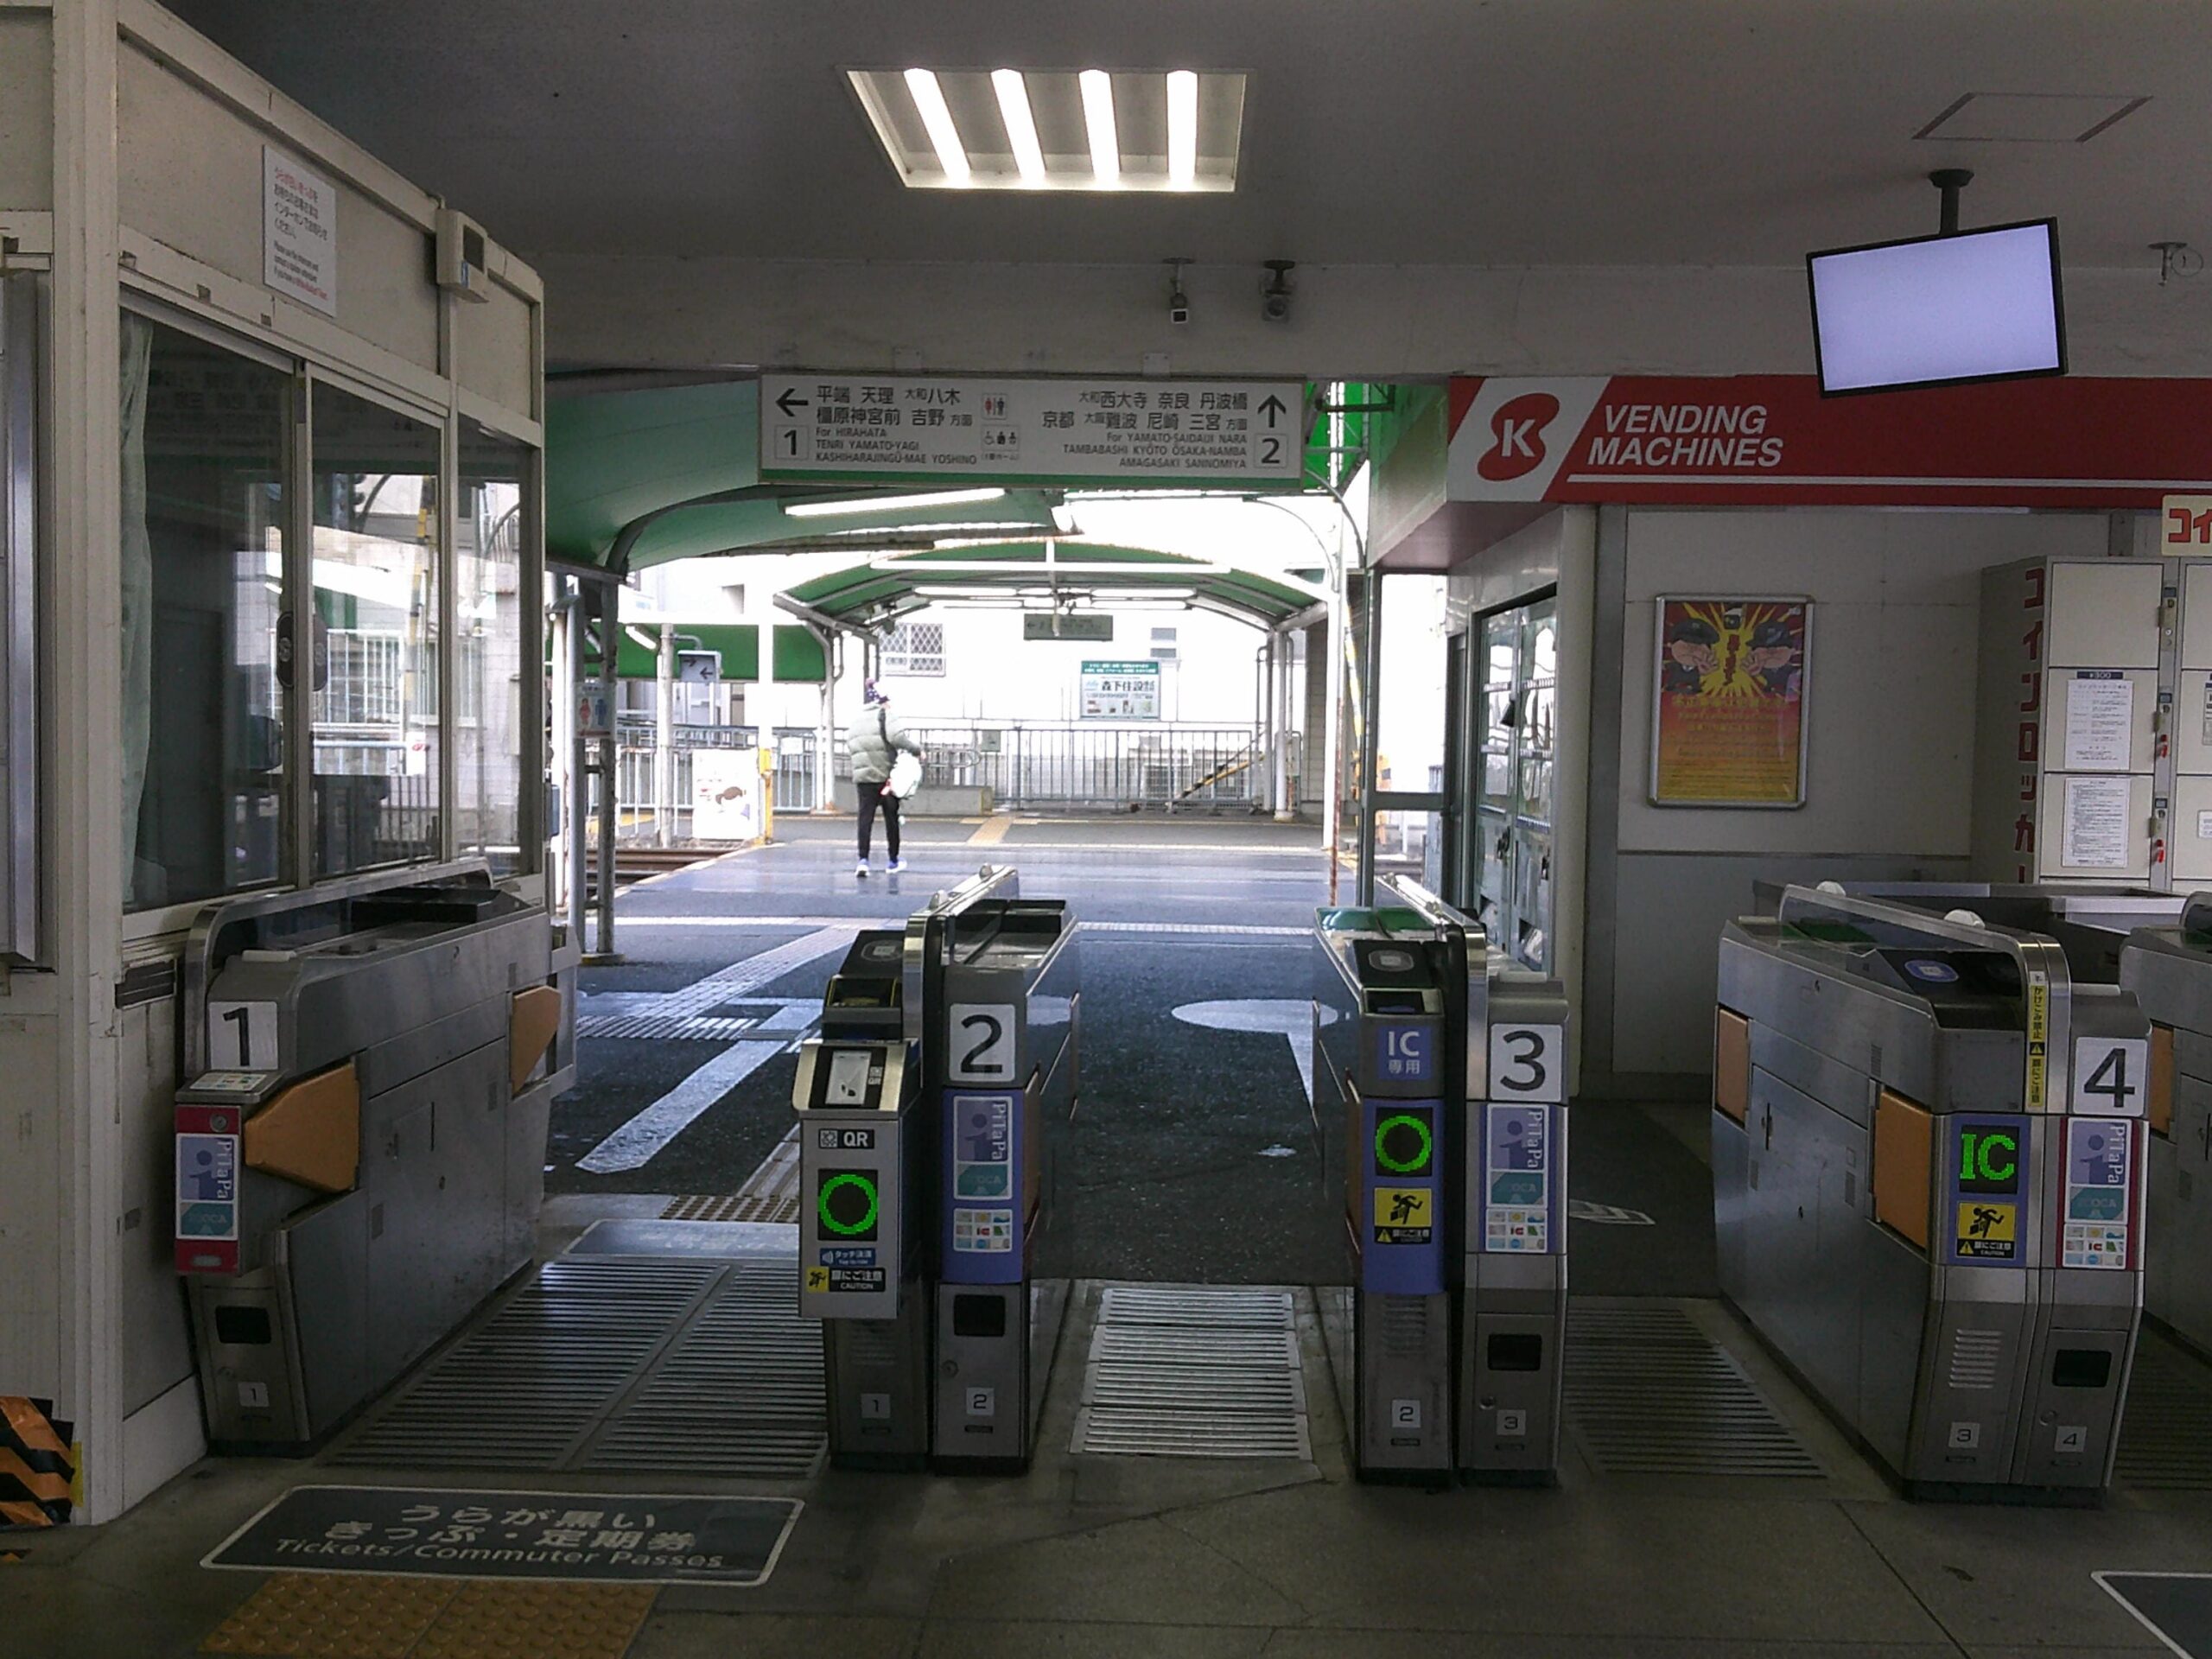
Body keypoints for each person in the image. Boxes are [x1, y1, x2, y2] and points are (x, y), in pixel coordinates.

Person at [848, 679, 922, 877]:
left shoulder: (857, 719)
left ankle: (863, 861)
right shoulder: (886, 715)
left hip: (864, 777)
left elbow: (851, 744)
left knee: (865, 818)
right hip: (886, 777)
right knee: (891, 818)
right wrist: (917, 750)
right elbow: (898, 738)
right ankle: (893, 861)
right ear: (883, 701)